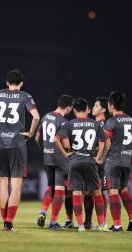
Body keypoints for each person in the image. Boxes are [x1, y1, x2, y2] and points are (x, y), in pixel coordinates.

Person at [0, 69, 40, 231]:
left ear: (7, 82)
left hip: (0, 144)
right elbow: (36, 116)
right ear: (21, 83)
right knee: (17, 185)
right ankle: (9, 222)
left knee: (3, 184)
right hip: (17, 143)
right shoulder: (25, 96)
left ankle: (5, 221)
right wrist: (31, 133)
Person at [54, 98, 111, 232]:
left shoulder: (69, 124)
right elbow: (107, 142)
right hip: (90, 162)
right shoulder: (95, 124)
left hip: (74, 161)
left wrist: (65, 154)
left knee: (77, 193)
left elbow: (56, 139)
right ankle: (102, 225)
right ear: (87, 110)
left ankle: (80, 226)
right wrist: (100, 159)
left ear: (74, 110)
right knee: (97, 193)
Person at [35, 95, 74, 229]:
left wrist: (45, 149)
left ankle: (43, 211)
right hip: (60, 159)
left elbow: (37, 138)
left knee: (50, 186)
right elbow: (66, 145)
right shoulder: (64, 122)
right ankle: (53, 221)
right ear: (69, 107)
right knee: (59, 189)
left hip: (47, 158)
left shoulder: (45, 117)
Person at [104, 91, 132, 232]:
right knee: (124, 190)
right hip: (126, 159)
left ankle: (117, 224)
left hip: (113, 160)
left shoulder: (111, 121)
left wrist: (101, 158)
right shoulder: (131, 120)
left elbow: (107, 142)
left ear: (111, 105)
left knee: (112, 192)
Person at [83, 97, 109, 229]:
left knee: (99, 192)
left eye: (96, 106)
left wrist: (98, 158)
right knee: (88, 192)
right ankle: (88, 222)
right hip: (90, 162)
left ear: (104, 109)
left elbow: (105, 144)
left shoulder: (103, 124)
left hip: (98, 164)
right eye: (93, 105)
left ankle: (102, 222)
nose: (93, 107)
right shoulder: (94, 124)